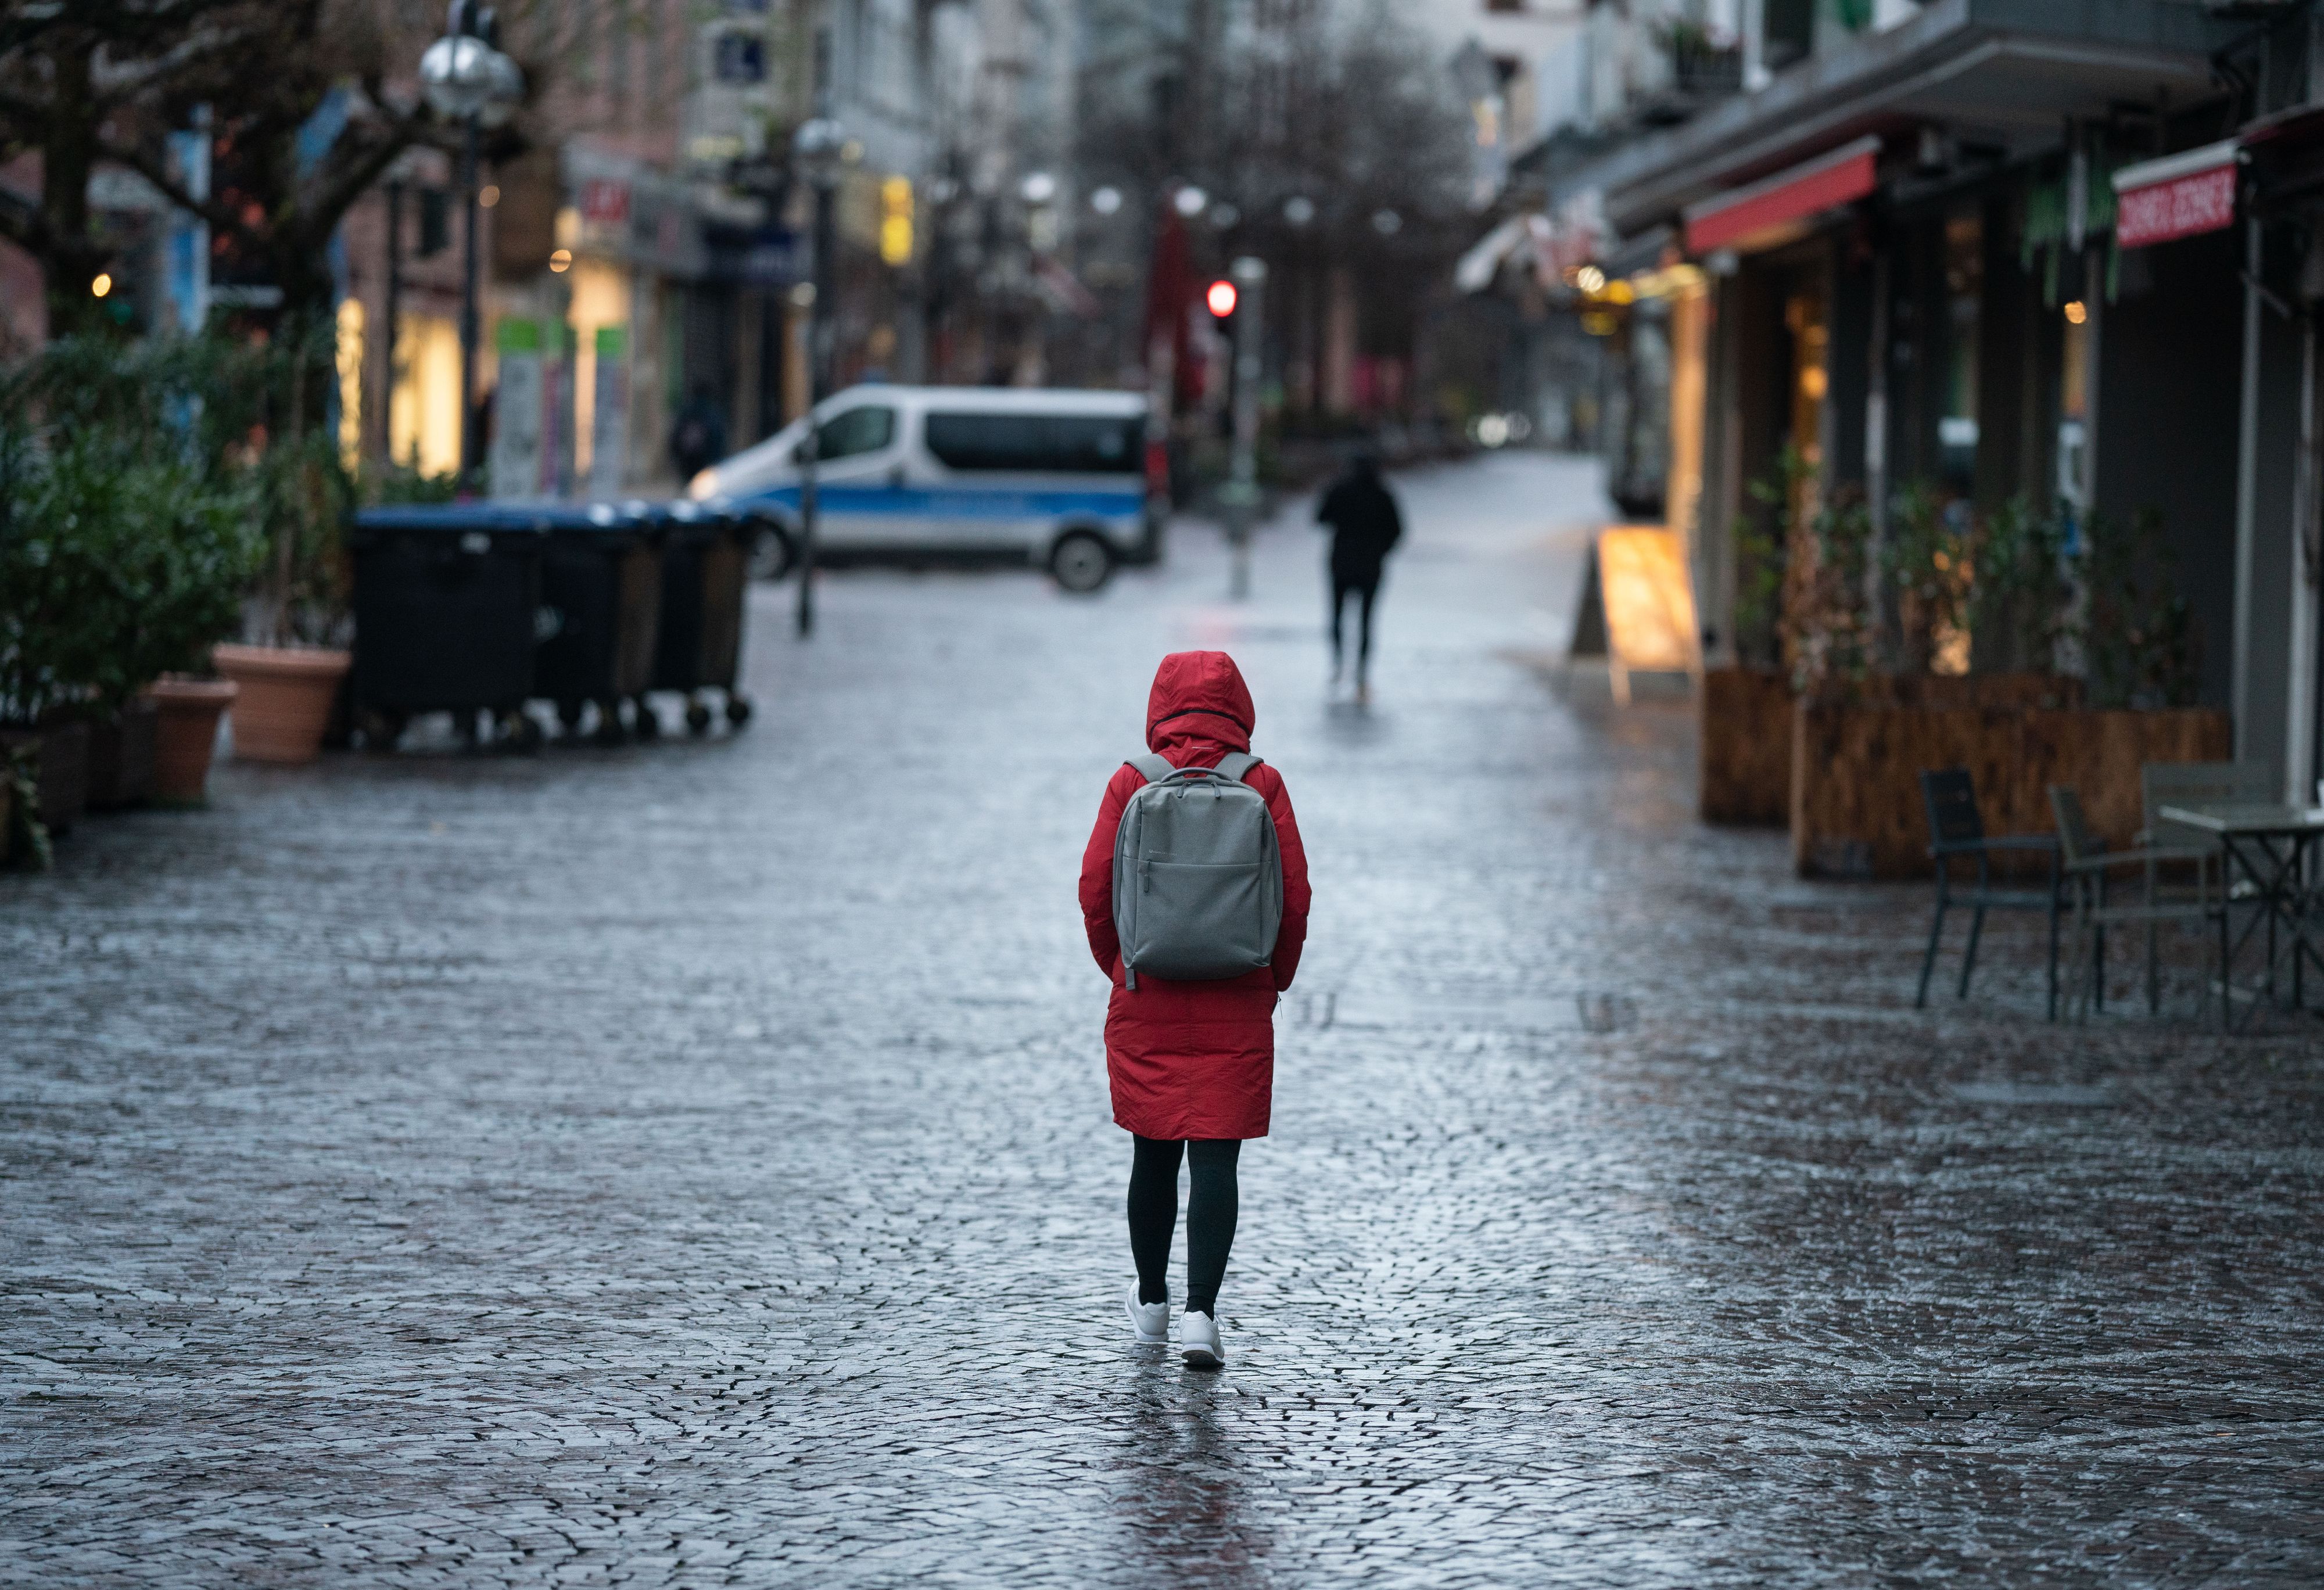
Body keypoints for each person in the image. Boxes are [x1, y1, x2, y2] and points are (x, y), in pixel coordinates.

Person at [1078, 652, 1311, 1367]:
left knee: (1153, 1152)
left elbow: (1094, 890)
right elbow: (1293, 897)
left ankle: (1150, 1303)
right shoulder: (1261, 784)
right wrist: (1273, 978)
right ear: (1239, 705)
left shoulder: (1133, 783)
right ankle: (1201, 1315)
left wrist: (1122, 968)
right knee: (1216, 1156)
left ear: (1160, 707)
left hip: (1147, 994)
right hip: (1236, 995)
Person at [1313, 449, 1404, 704]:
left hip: (1341, 562)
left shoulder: (1339, 489)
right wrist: (1381, 550)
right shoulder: (1383, 495)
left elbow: (1320, 518)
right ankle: (1362, 672)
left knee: (1337, 616)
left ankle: (1338, 665)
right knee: (1367, 620)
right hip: (1371, 565)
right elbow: (1398, 531)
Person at [668, 383, 727, 486]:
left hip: (687, 457)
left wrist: (676, 455)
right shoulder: (711, 412)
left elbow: (676, 434)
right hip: (705, 458)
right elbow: (718, 436)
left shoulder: (688, 411)